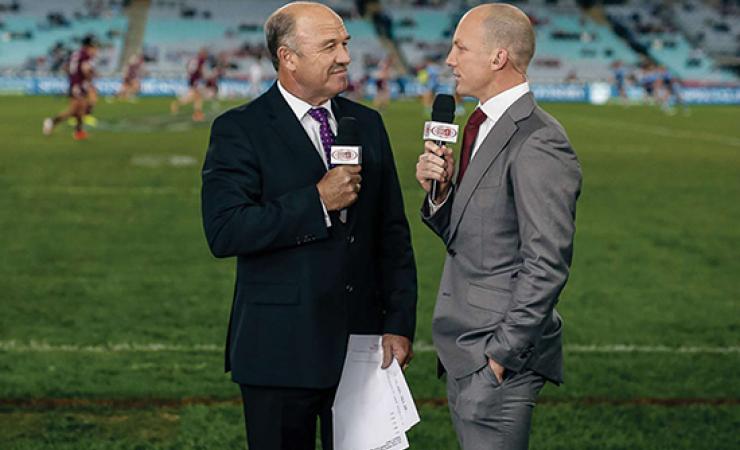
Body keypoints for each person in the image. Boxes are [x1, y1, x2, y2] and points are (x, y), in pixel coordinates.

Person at [201, 3, 417, 449]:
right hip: (278, 350)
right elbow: (225, 231)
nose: (345, 57)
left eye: (345, 44)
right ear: (288, 57)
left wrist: (398, 322)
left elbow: (392, 233)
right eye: (329, 46)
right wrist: (317, 201)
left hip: (362, 350)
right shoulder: (240, 129)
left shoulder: (368, 124)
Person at [415, 4, 581, 449]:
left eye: (460, 47)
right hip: (466, 349)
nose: (450, 59)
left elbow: (546, 262)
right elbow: (471, 235)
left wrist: (501, 356)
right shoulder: (481, 124)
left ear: (498, 57)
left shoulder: (539, 139)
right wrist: (442, 191)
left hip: (495, 358)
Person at [43, 34, 98, 140]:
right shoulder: (85, 55)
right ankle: (52, 121)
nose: (95, 49)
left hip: (75, 83)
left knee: (80, 108)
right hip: (79, 84)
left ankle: (78, 131)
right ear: (89, 46)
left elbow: (66, 67)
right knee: (75, 109)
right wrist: (90, 78)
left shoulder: (76, 53)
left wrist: (72, 78)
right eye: (94, 47)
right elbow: (85, 70)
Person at [170, 47, 209, 121]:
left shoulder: (195, 59)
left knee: (197, 97)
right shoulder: (201, 60)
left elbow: (188, 67)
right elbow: (200, 70)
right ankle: (196, 114)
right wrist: (203, 77)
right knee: (196, 97)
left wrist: (191, 75)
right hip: (196, 80)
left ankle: (196, 113)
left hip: (193, 79)